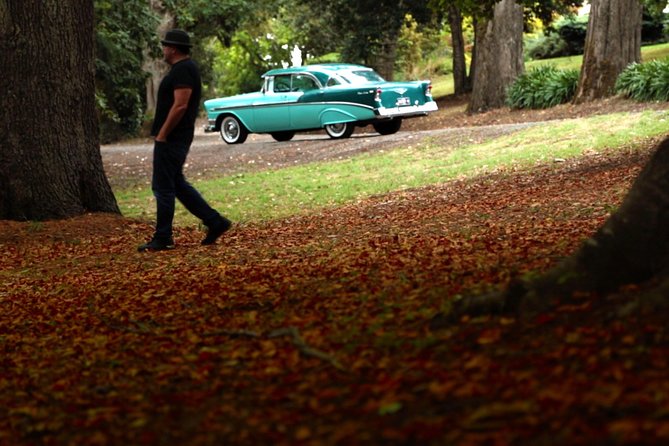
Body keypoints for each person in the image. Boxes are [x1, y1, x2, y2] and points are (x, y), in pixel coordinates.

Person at [138, 29, 231, 252]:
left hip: (172, 138)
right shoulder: (182, 69)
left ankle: (163, 237)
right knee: (176, 184)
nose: (163, 50)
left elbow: (180, 105)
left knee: (163, 187)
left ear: (173, 48)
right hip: (173, 137)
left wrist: (163, 133)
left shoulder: (183, 70)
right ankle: (215, 221)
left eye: (165, 46)